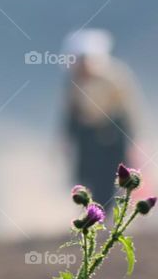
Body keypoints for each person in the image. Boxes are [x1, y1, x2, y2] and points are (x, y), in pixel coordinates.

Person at [61, 29, 142, 205]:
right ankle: (94, 213)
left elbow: (128, 110)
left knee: (112, 177)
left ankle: (108, 216)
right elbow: (70, 112)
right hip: (87, 138)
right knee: (87, 178)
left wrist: (133, 139)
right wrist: (65, 139)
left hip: (113, 135)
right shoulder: (73, 81)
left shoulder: (115, 78)